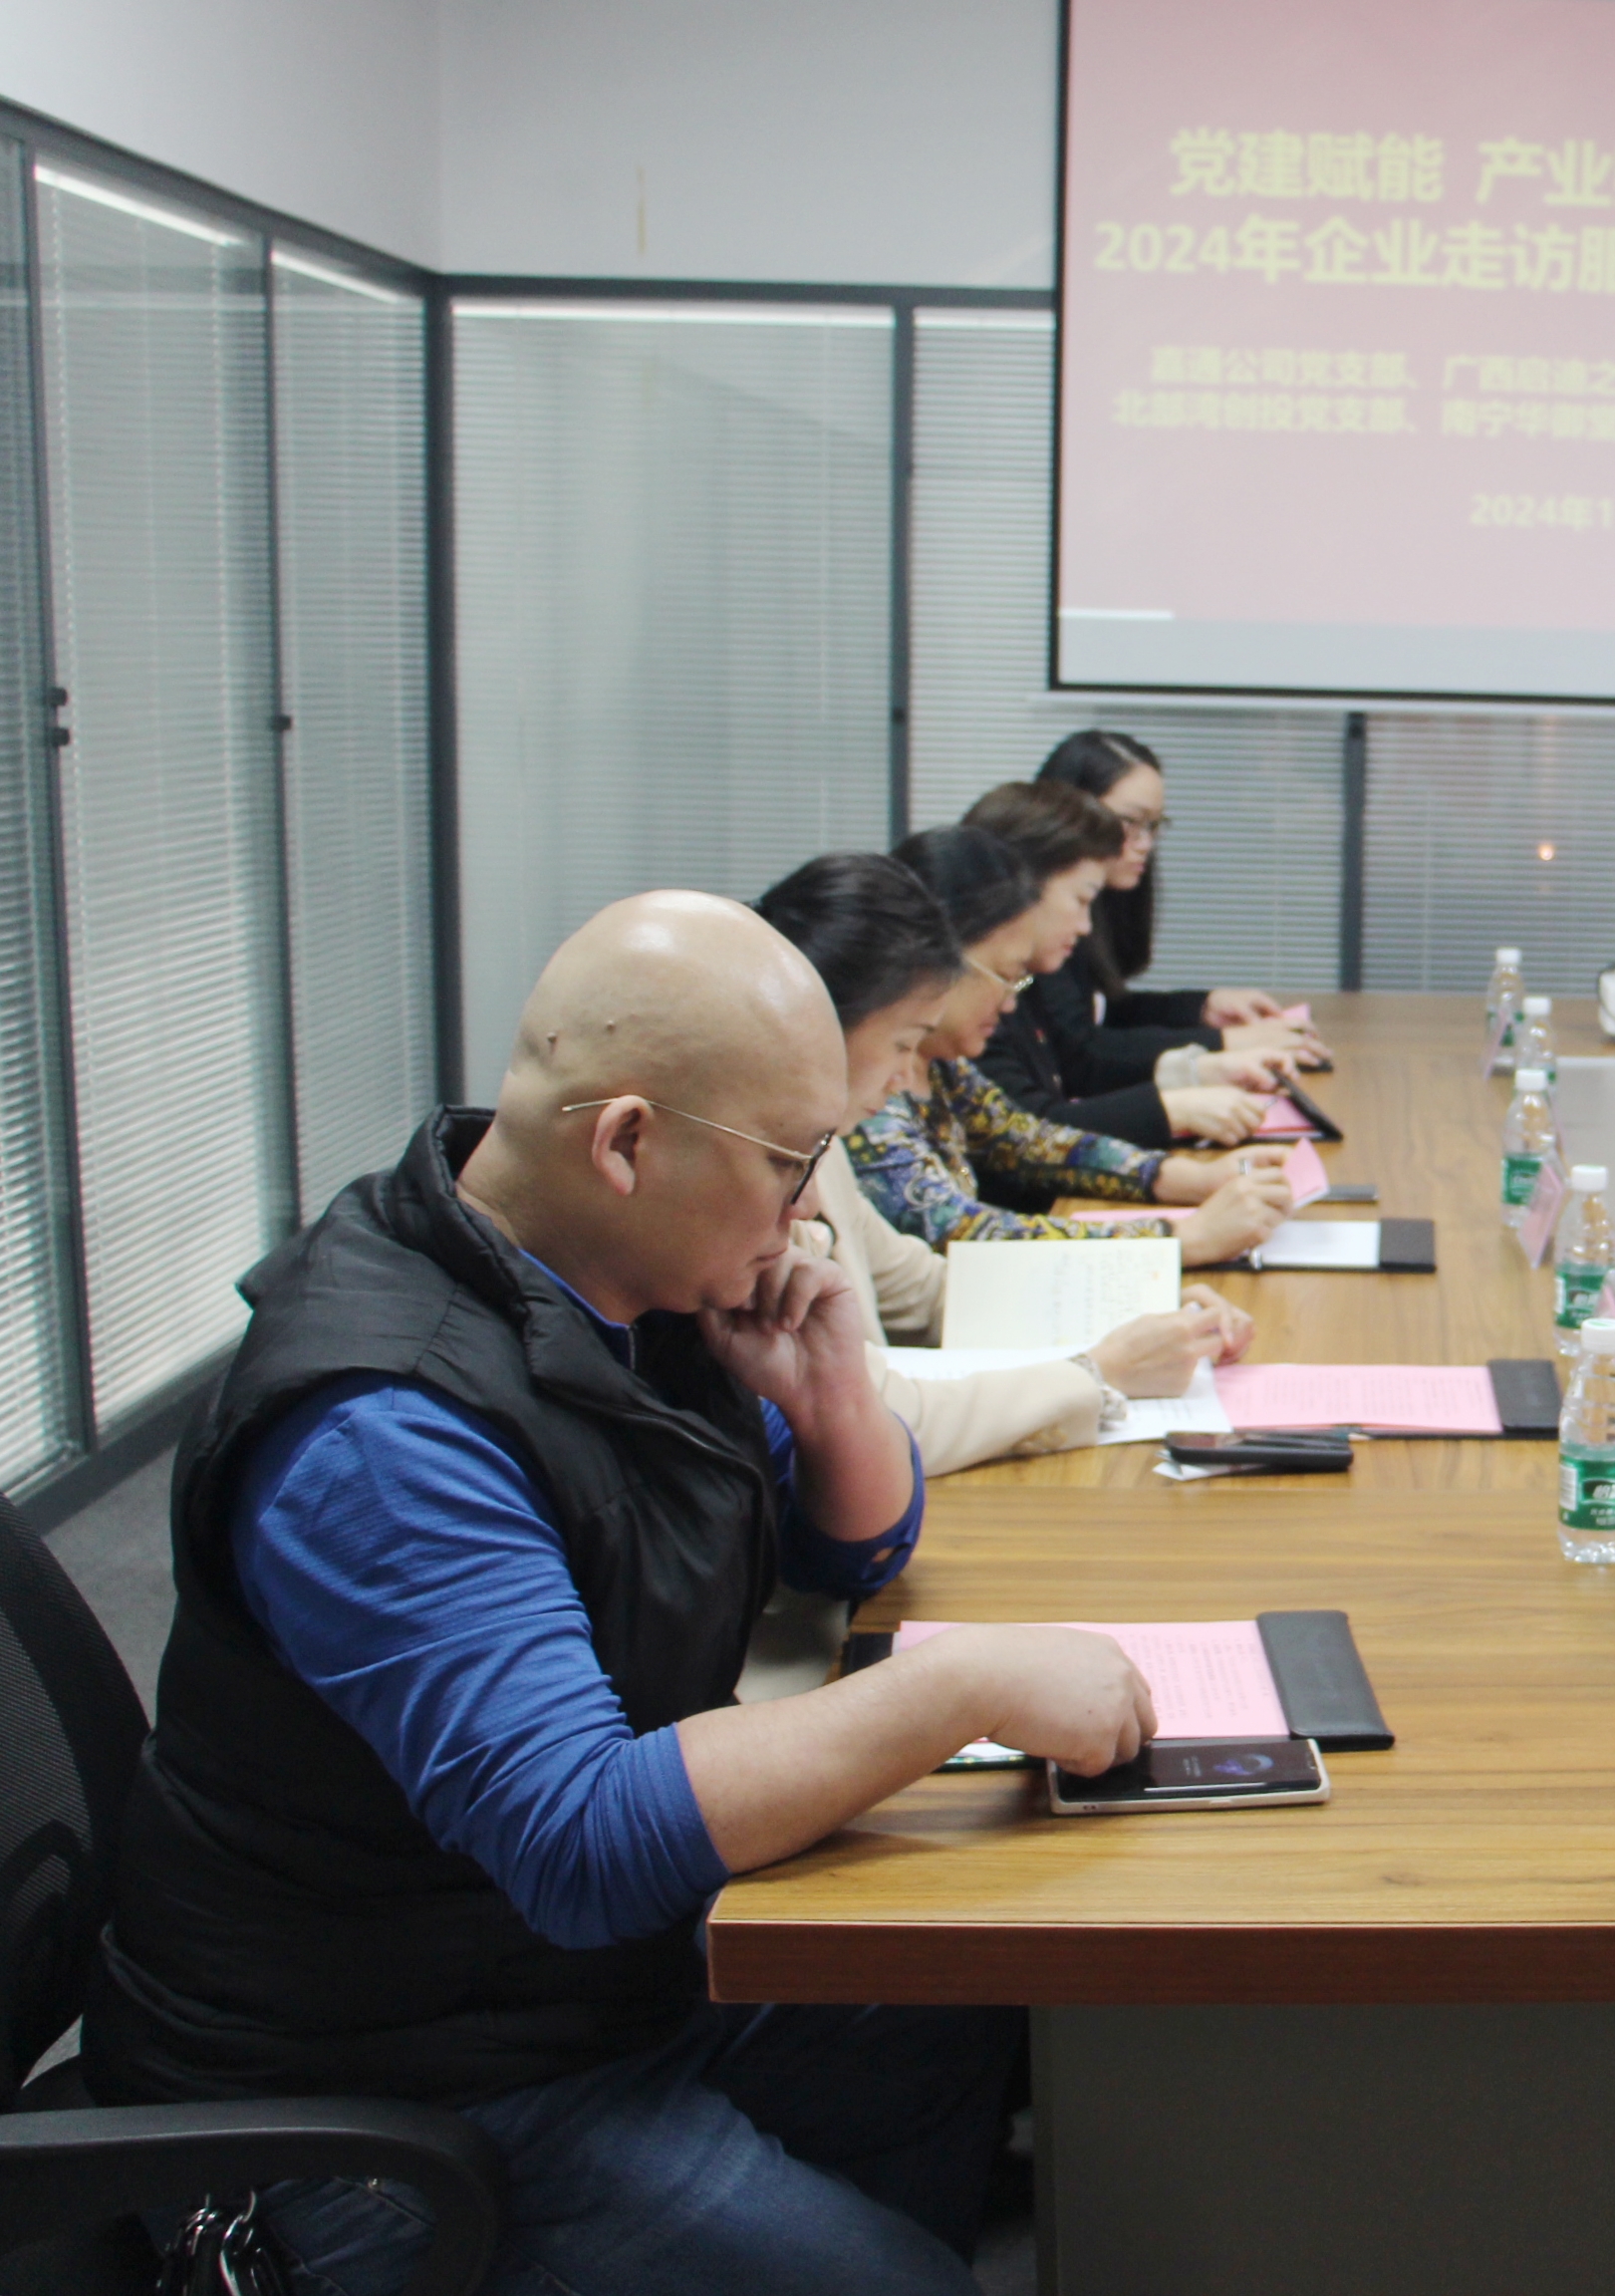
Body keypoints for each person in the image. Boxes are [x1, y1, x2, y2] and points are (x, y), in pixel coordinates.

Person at [82, 891, 1175, 2295]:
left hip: (560, 1989)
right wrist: (956, 1689)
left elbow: (852, 1552)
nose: (807, 1210)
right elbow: (582, 1842)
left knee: (958, 1995)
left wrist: (834, 1396)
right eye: (790, 1162)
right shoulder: (384, 1432)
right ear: (626, 1144)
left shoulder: (621, 1287)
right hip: (381, 2097)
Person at [755, 851, 1254, 1469]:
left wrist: (1145, 1302)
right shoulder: (778, 1162)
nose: (904, 1075)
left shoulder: (823, 1144)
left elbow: (929, 1288)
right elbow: (882, 1414)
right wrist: (1097, 1374)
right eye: (902, 1044)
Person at [850, 827, 1291, 1259]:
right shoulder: (869, 1085)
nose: (1010, 1004)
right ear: (938, 963)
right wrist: (1180, 1238)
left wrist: (1192, 1179)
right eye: (1006, 976)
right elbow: (962, 1234)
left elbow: (1032, 1142)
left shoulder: (940, 1064)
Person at [957, 780, 1287, 1150]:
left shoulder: (1023, 982)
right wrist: (1173, 1110)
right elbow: (1029, 1134)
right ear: (1022, 890)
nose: (1085, 927)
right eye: (1081, 900)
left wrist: (1194, 1071)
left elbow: (1069, 1072)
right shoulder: (966, 1002)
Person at [1035, 728, 1324, 1070]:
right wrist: (1227, 1043)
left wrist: (1202, 1008)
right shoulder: (1035, 910)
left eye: (1154, 825)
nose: (1145, 843)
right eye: (1130, 822)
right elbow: (1079, 1053)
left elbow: (1102, 1012)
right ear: (1069, 812)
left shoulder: (1098, 903)